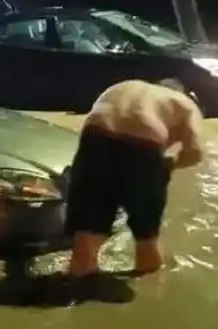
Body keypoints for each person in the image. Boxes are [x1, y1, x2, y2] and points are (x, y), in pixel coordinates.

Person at [65, 78, 204, 278]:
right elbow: (195, 152)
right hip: (144, 145)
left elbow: (91, 126)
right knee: (146, 237)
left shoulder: (123, 87)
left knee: (87, 232)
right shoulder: (184, 103)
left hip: (95, 137)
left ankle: (77, 285)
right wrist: (166, 168)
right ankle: (151, 293)